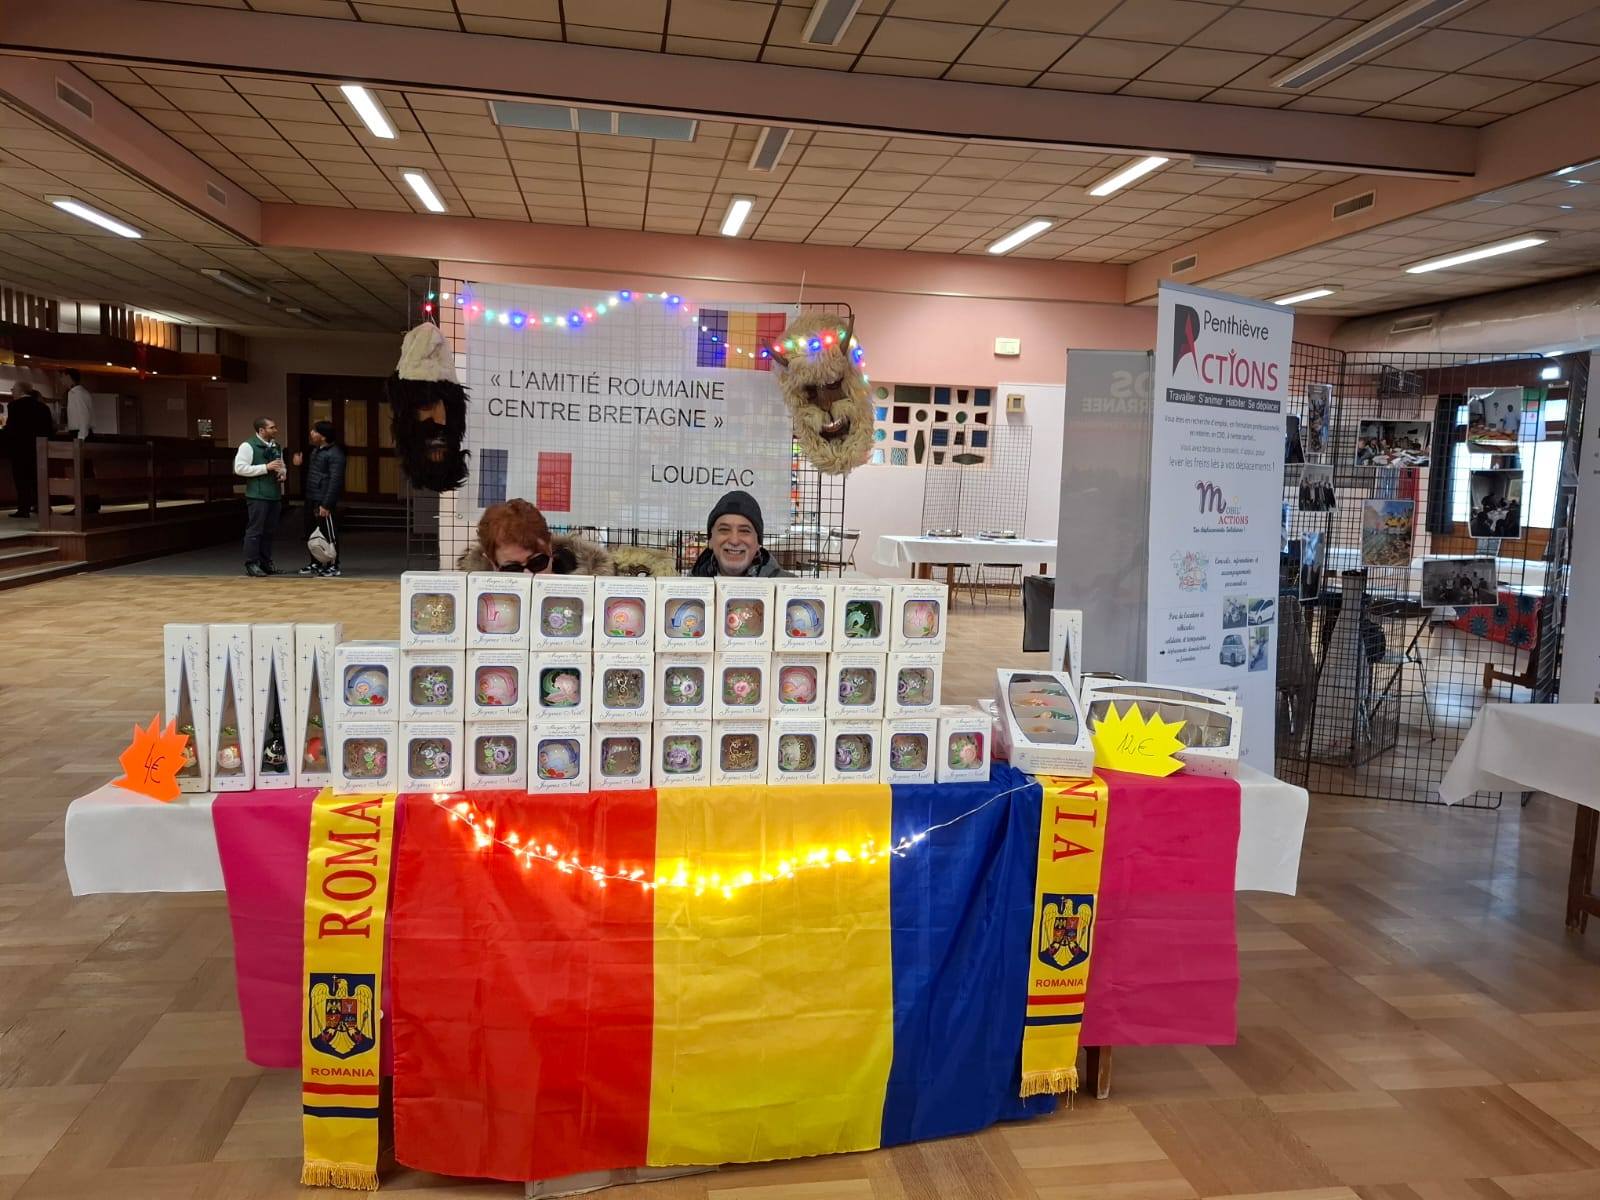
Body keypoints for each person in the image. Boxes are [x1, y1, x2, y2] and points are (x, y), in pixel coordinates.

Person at [456, 498, 614, 574]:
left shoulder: (595, 586)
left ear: (550, 549)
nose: (528, 575)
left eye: (538, 563)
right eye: (513, 569)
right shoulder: (471, 600)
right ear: (492, 564)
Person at [690, 489, 790, 577]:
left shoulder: (792, 589)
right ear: (710, 540)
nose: (734, 541)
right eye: (724, 530)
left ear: (758, 542)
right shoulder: (687, 588)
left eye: (744, 531)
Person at [234, 416, 287, 577]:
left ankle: (266, 562)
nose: (275, 430)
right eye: (272, 427)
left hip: (274, 494)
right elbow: (239, 468)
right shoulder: (248, 446)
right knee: (255, 530)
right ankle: (252, 563)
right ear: (261, 430)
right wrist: (265, 467)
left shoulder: (276, 446)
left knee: (269, 531)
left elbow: (281, 465)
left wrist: (282, 473)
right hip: (257, 495)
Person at [296, 420, 347, 577]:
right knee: (311, 532)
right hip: (311, 496)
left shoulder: (335, 454)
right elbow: (316, 472)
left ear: (323, 436)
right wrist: (299, 464)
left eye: (315, 431)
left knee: (328, 533)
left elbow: (335, 481)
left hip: (323, 499)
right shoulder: (316, 450)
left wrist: (326, 504)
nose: (311, 433)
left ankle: (333, 565)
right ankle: (316, 563)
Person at [3, 383, 54, 518]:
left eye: (13, 389)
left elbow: (12, 428)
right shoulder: (43, 407)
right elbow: (49, 429)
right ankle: (44, 507)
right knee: (38, 479)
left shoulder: (14, 406)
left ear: (20, 391)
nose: (12, 391)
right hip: (39, 448)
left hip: (20, 448)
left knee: (21, 480)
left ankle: (23, 509)